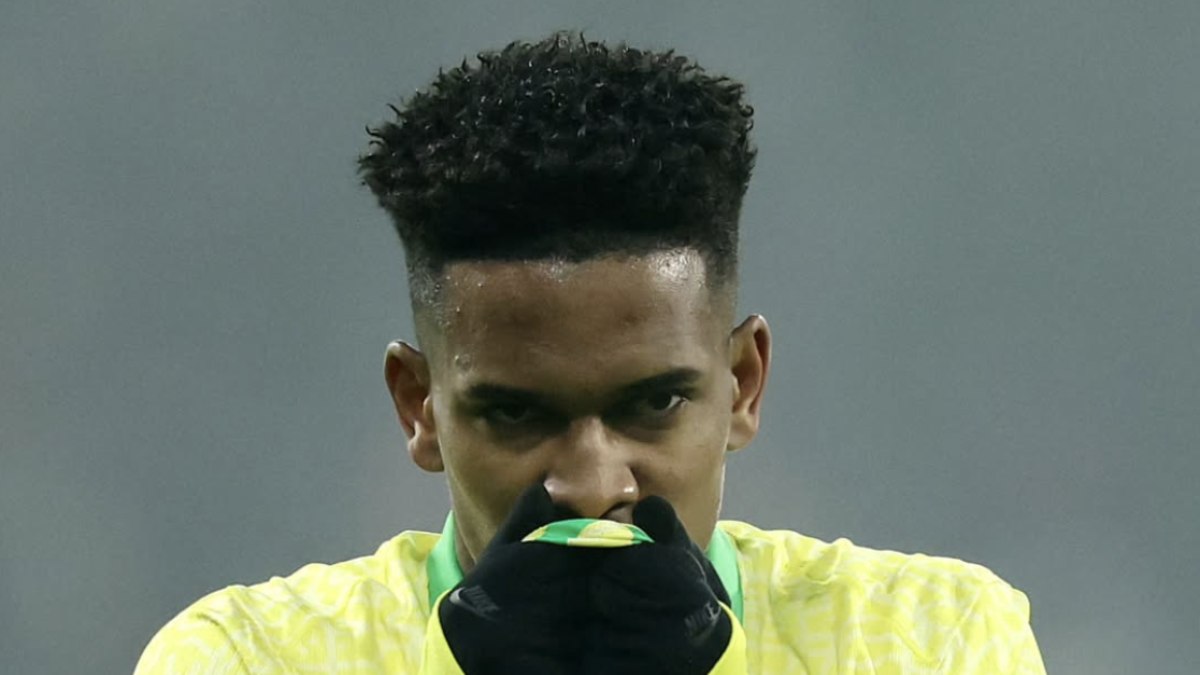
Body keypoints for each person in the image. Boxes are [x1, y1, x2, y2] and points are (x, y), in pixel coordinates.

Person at [136, 32, 1046, 673]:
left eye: (654, 404)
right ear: (420, 406)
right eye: (515, 412)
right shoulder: (241, 657)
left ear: (742, 384)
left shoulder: (937, 642)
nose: (591, 483)